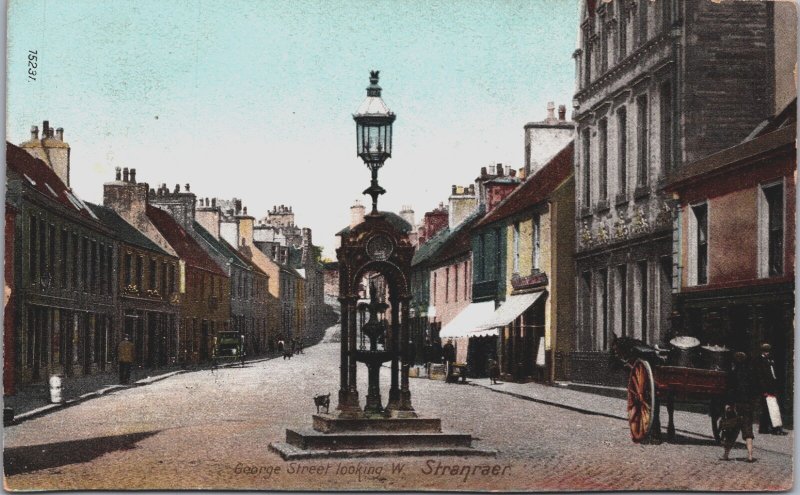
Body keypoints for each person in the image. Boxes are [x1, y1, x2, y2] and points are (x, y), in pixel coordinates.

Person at [721, 352, 758, 462]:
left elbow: (730, 391)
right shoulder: (750, 374)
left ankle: (726, 455)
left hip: (736, 405)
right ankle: (750, 455)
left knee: (731, 430)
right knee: (748, 431)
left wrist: (728, 404)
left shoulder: (733, 374)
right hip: (747, 405)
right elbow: (754, 391)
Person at [755, 343, 787, 435]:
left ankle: (766, 428)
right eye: (766, 351)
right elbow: (760, 377)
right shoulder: (760, 360)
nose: (767, 353)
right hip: (765, 388)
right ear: (762, 351)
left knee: (771, 408)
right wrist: (764, 390)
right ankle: (768, 428)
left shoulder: (770, 360)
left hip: (771, 387)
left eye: (768, 351)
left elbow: (772, 374)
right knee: (767, 408)